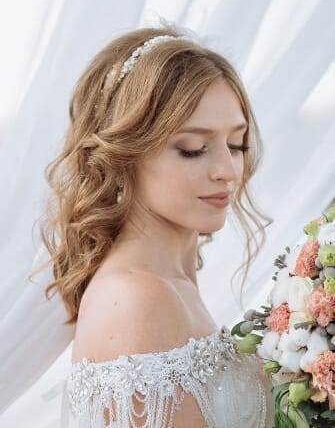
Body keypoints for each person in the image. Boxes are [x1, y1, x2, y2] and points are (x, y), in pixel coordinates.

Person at [34, 21, 275, 427]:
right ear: (126, 154)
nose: (227, 170)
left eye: (236, 144)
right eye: (193, 149)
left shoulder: (170, 284)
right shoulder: (137, 299)